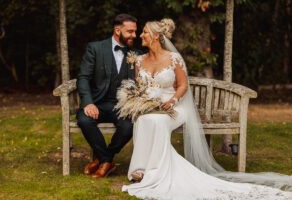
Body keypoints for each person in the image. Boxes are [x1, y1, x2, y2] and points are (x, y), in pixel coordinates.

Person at [121, 18, 292, 199]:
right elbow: (140, 86)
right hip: (150, 106)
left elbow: (183, 86)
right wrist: (140, 101)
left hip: (174, 107)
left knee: (157, 120)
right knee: (142, 119)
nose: (141, 35)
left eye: (145, 32)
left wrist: (172, 100)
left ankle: (154, 170)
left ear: (156, 36)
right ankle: (139, 168)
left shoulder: (174, 58)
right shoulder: (139, 60)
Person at [76, 13, 141, 178]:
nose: (135, 35)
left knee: (128, 126)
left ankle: (103, 160)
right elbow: (83, 77)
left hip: (122, 105)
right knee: (84, 119)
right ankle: (107, 161)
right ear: (117, 30)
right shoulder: (95, 48)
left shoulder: (137, 54)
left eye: (135, 31)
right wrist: (88, 103)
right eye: (130, 31)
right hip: (97, 102)